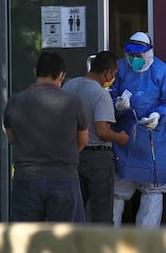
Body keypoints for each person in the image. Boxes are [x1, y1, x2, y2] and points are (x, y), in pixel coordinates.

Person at [110, 31, 166, 228]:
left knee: (153, 190)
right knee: (117, 191)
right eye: (131, 56)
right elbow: (106, 98)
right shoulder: (119, 69)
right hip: (125, 139)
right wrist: (116, 106)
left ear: (149, 53)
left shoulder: (163, 73)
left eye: (138, 56)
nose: (134, 60)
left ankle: (146, 245)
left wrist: (158, 115)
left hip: (155, 140)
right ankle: (109, 242)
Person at [3, 51, 88, 222]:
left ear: (35, 72)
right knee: (67, 241)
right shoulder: (72, 101)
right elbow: (83, 140)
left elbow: (12, 138)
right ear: (62, 75)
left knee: (24, 240)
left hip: (26, 178)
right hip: (64, 177)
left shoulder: (15, 100)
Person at [62, 51, 130, 224]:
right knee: (101, 214)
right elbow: (102, 131)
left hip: (73, 155)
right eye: (113, 74)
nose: (112, 78)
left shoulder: (69, 86)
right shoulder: (100, 94)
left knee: (75, 211)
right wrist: (119, 137)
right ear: (107, 72)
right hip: (97, 159)